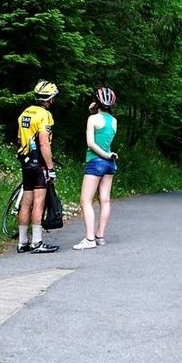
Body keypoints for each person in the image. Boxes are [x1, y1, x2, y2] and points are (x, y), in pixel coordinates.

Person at [15, 80, 59, 254]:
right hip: (39, 163)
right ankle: (37, 242)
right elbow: (44, 143)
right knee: (39, 201)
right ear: (50, 98)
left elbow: (20, 139)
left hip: (26, 162)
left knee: (26, 201)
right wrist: (50, 168)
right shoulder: (44, 115)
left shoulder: (25, 113)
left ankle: (22, 242)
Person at [73, 87, 118, 250]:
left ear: (96, 102)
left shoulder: (92, 119)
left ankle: (89, 239)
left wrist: (105, 155)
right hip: (110, 164)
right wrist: (109, 156)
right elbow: (104, 137)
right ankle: (100, 236)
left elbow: (91, 143)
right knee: (105, 200)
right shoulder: (114, 121)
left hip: (95, 161)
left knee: (86, 201)